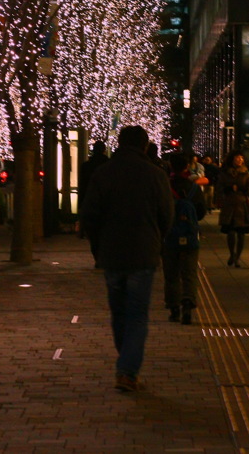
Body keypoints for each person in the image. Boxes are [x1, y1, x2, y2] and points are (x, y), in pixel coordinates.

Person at [81, 125, 173, 393]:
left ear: (119, 143)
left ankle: (126, 361)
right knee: (137, 315)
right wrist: (157, 242)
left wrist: (98, 248)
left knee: (119, 312)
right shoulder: (155, 175)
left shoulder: (104, 173)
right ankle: (127, 369)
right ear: (145, 146)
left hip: (112, 254)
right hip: (143, 254)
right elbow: (166, 215)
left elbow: (89, 215)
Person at [162, 154, 208, 324]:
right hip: (190, 236)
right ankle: (187, 305)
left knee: (171, 274)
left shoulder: (165, 186)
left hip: (169, 236)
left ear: (171, 167)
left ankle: (174, 309)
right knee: (189, 272)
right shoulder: (193, 188)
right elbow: (201, 212)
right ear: (187, 167)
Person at [217, 149, 249, 267]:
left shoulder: (245, 172)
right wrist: (228, 189)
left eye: (241, 158)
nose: (240, 160)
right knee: (231, 232)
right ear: (232, 159)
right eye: (237, 158)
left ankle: (237, 257)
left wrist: (243, 189)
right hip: (229, 205)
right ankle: (232, 254)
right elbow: (219, 187)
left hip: (242, 205)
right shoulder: (224, 172)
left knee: (241, 233)